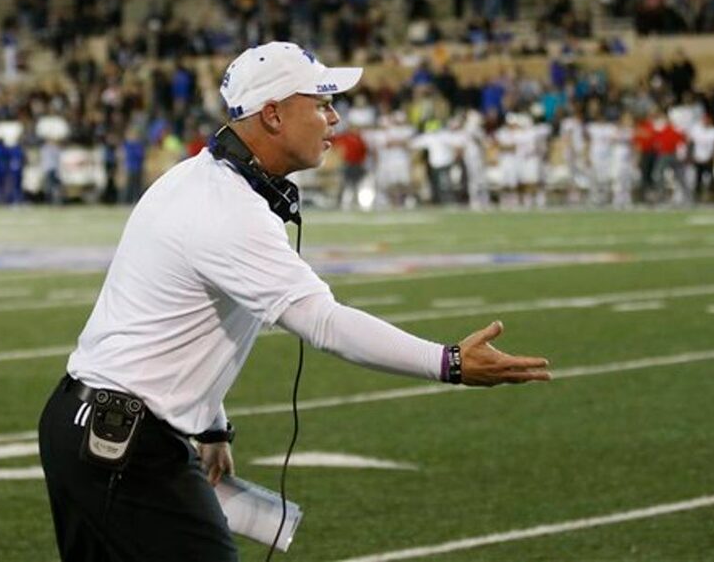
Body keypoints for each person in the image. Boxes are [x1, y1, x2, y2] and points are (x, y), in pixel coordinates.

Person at [38, 41, 551, 562]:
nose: (335, 118)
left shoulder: (201, 179)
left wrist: (211, 423)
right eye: (322, 102)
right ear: (274, 114)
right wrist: (450, 363)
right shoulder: (227, 207)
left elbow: (184, 323)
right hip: (119, 443)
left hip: (99, 427)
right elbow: (323, 322)